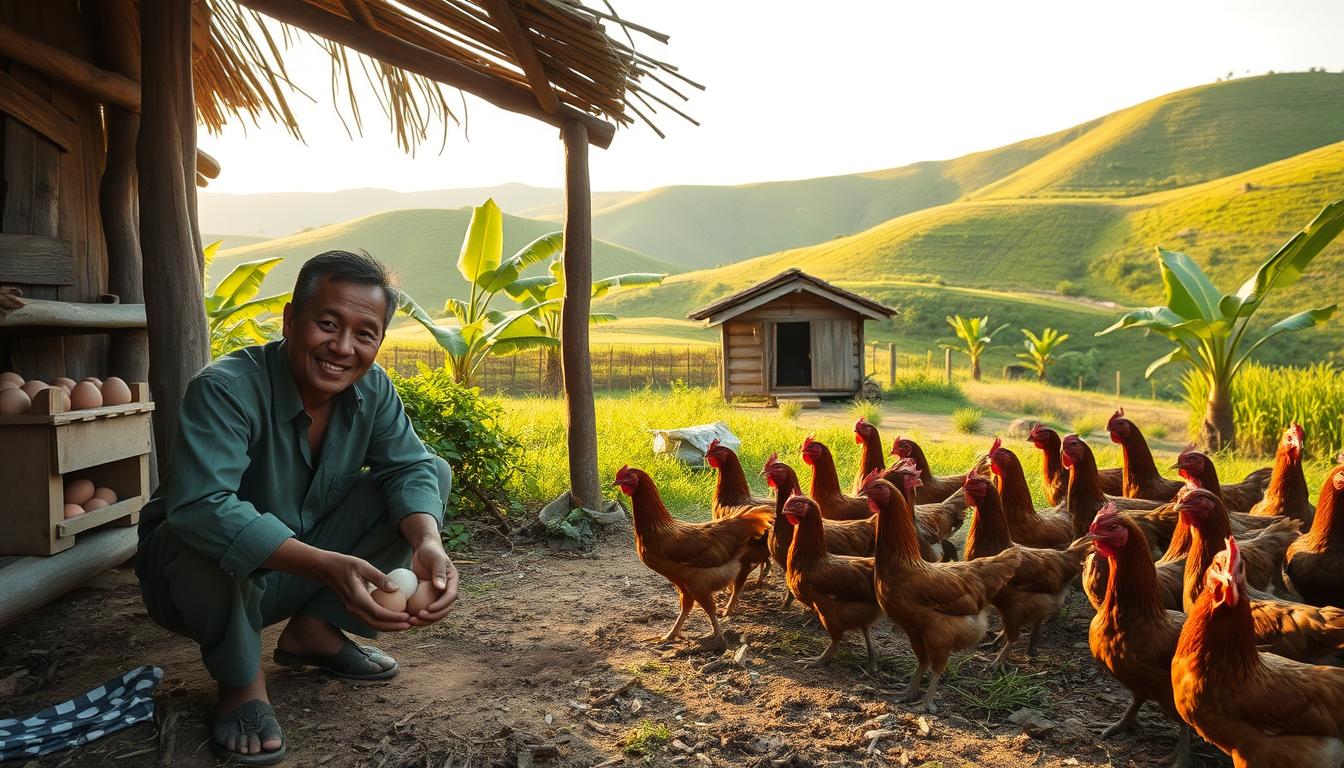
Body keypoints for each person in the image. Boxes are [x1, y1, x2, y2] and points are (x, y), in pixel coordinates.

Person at [135, 250, 458, 765]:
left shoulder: (372, 391)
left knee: (427, 475)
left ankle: (314, 634)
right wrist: (325, 565)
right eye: (327, 324)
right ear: (290, 319)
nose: (343, 347)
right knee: (198, 527)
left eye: (365, 333)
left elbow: (410, 469)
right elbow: (200, 507)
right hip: (192, 584)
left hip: (290, 577)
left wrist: (427, 542)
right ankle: (241, 685)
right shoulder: (225, 389)